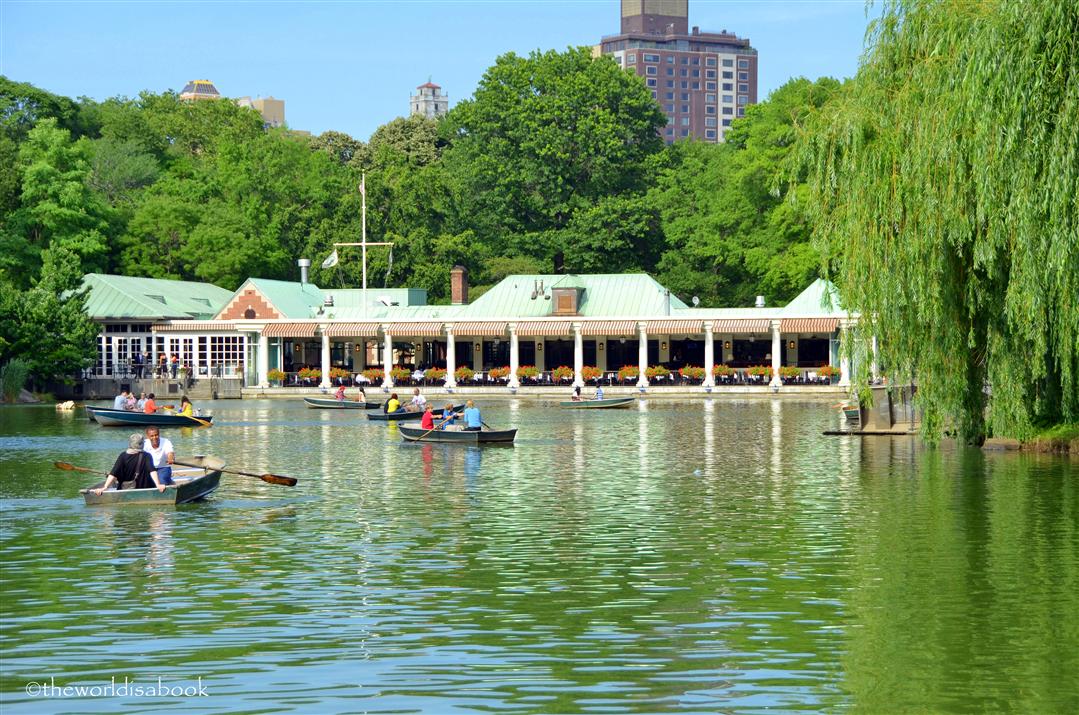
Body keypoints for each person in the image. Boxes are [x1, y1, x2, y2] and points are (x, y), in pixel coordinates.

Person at [92, 433, 165, 494]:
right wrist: (158, 484)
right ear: (141, 444)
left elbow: (113, 473)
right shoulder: (147, 456)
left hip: (124, 489)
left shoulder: (123, 455)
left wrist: (105, 487)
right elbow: (152, 471)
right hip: (144, 488)